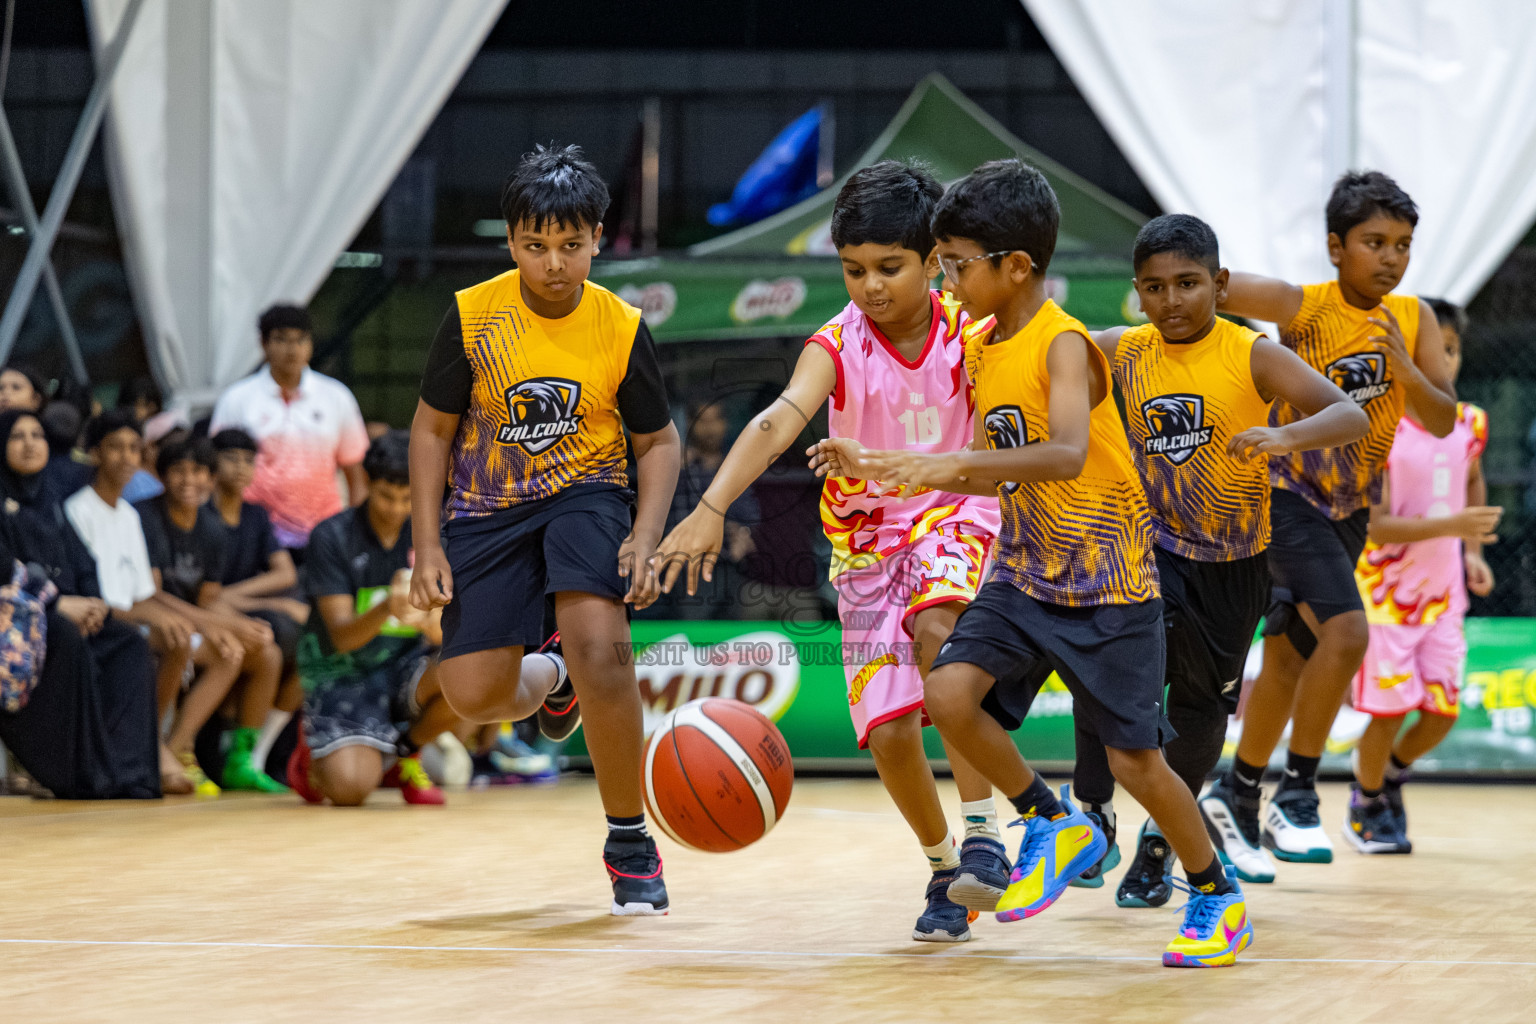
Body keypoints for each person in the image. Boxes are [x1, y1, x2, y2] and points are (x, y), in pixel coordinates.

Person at [814, 160, 1254, 968]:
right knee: (945, 691)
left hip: (1107, 581)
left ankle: (1215, 890)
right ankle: (1049, 819)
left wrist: (942, 470)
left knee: (1137, 764)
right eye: (941, 262)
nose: (947, 278)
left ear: (1016, 266)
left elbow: (1063, 452)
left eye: (957, 264)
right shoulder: (983, 346)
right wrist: (882, 461)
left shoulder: (1062, 343)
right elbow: (988, 455)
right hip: (1024, 572)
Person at [657, 160, 1007, 942]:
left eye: (890, 267)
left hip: (955, 509)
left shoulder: (971, 329)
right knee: (887, 733)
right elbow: (780, 417)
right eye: (853, 270)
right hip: (867, 545)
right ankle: (944, 865)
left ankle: (985, 831)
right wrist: (711, 505)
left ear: (932, 262)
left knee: (937, 636)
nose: (871, 285)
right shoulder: (838, 342)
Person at [409, 144, 681, 915]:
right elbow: (431, 433)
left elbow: (657, 443)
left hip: (585, 493)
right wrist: (427, 544)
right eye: (535, 246)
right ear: (511, 242)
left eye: (570, 246)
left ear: (598, 237)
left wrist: (646, 534)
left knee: (603, 647)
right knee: (473, 695)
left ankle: (629, 840)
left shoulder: (620, 326)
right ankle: (552, 677)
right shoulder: (473, 316)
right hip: (487, 507)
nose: (554, 264)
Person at [1066, 214, 1369, 903]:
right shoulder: (1121, 349)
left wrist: (1283, 438)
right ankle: (1093, 813)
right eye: (1155, 286)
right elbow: (1043, 363)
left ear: (1220, 283)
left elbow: (1347, 414)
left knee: (1203, 713)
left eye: (1188, 283)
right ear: (1137, 293)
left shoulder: (1252, 353)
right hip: (1147, 550)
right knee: (1099, 656)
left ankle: (1160, 843)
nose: (1171, 299)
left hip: (1234, 565)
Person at [1201, 171, 1458, 871]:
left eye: (1403, 245)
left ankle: (1238, 790)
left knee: (1291, 659)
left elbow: (1442, 421)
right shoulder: (1301, 306)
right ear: (1335, 247)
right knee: (1347, 634)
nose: (1391, 258)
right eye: (1374, 242)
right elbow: (1202, 280)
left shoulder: (1414, 320)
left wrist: (1406, 371)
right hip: (1283, 494)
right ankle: (1301, 793)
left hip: (1350, 511)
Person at [1345, 299, 1499, 853]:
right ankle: (1364, 805)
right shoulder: (1377, 427)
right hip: (1384, 599)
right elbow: (1378, 527)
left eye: (1452, 350)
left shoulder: (1470, 423)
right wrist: (1453, 523)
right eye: (1432, 349)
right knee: (1388, 712)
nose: (1445, 360)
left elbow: (1473, 480)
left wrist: (1473, 549)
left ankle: (1390, 775)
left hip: (1444, 597)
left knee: (1441, 711)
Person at [0, 409, 166, 799]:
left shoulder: (53, 499)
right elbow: (5, 569)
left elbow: (83, 559)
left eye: (37, 435)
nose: (29, 444)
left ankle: (128, 772)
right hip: (21, 619)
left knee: (128, 643)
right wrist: (55, 604)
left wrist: (94, 603)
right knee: (64, 636)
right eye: (17, 437)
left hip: (67, 610)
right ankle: (77, 774)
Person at [286, 431, 458, 806]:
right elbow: (342, 638)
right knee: (350, 790)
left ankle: (406, 752)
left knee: (467, 674)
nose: (396, 509)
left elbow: (446, 632)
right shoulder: (331, 536)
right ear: (366, 483)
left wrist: (434, 624)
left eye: (406, 499)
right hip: (341, 671)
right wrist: (388, 608)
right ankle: (311, 755)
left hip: (406, 666)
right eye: (386, 496)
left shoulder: (431, 536)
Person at [63, 413, 219, 796]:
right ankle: (150, 744)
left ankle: (160, 743)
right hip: (98, 621)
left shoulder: (130, 515)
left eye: (134, 448)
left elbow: (143, 593)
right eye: (115, 447)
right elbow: (96, 598)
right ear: (95, 453)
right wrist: (165, 622)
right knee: (173, 639)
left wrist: (185, 621)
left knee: (184, 636)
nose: (127, 457)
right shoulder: (77, 510)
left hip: (130, 618)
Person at [134, 437, 290, 793]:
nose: (188, 480)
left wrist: (238, 624)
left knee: (265, 651)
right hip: (149, 615)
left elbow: (208, 598)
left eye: (198, 471)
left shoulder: (213, 529)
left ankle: (240, 760)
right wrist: (214, 624)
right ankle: (174, 749)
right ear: (162, 475)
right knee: (222, 649)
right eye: (178, 471)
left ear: (210, 478)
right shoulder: (147, 516)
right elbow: (151, 592)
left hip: (187, 619)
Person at [209, 304, 370, 557]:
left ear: (311, 344)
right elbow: (214, 470)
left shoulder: (337, 397)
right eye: (281, 339)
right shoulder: (237, 399)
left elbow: (355, 473)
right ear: (263, 344)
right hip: (254, 534)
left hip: (324, 533)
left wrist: (358, 533)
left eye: (301, 340)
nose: (292, 349)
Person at [209, 428, 307, 780]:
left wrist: (232, 597)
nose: (240, 468)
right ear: (212, 462)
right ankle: (229, 748)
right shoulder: (202, 513)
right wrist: (223, 603)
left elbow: (284, 575)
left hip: (235, 606)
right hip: (203, 613)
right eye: (230, 458)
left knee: (314, 646)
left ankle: (257, 755)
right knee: (271, 638)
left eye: (248, 461)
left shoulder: (256, 515)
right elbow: (203, 599)